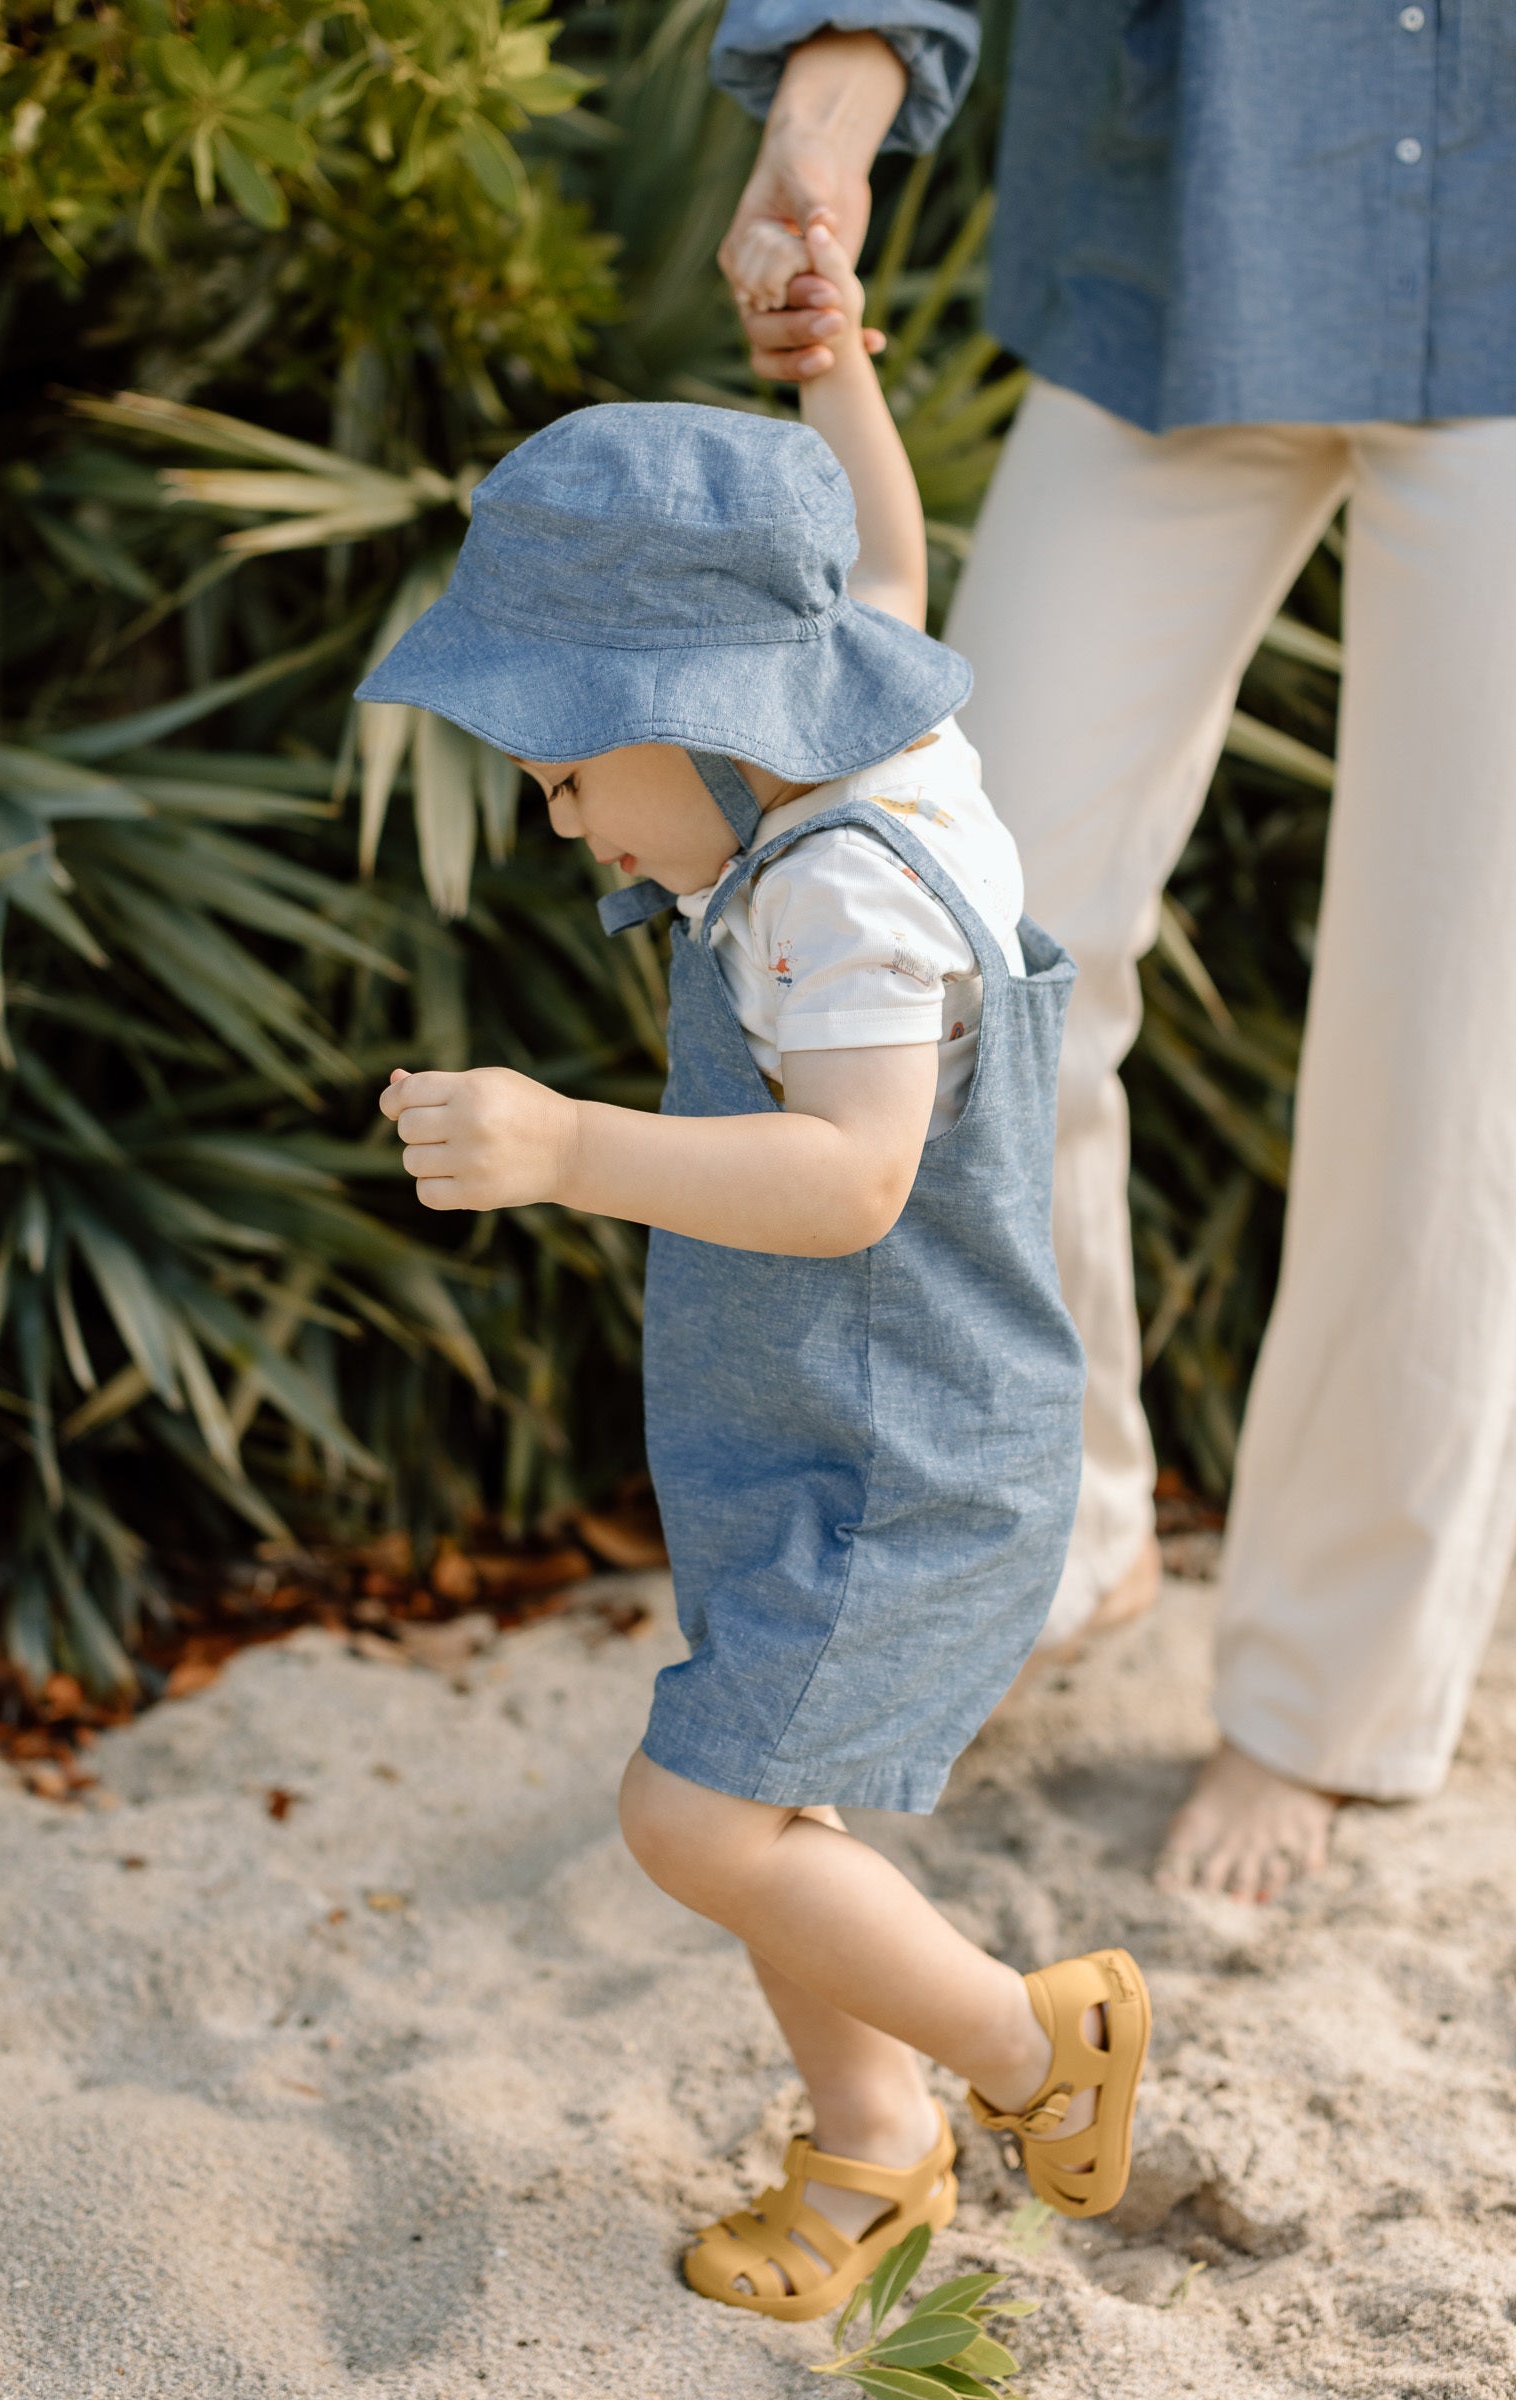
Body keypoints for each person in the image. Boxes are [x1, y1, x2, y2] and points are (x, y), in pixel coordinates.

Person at [361, 219, 1150, 2318]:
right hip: (807, 1421)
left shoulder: (836, 906)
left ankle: (1018, 2047)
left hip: (892, 1448)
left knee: (695, 1823)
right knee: (764, 1807)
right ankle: (870, 2151)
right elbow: (870, 556)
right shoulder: (868, 733)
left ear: (707, 715)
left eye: (564, 771)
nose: (561, 823)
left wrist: (558, 1145)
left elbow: (850, 1180)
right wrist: (839, 382)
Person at [709, 7, 1516, 1902]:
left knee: (1461, 1027)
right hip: (1193, 246)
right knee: (955, 925)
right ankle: (1073, 1516)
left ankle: (1322, 1707)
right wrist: (824, 128)